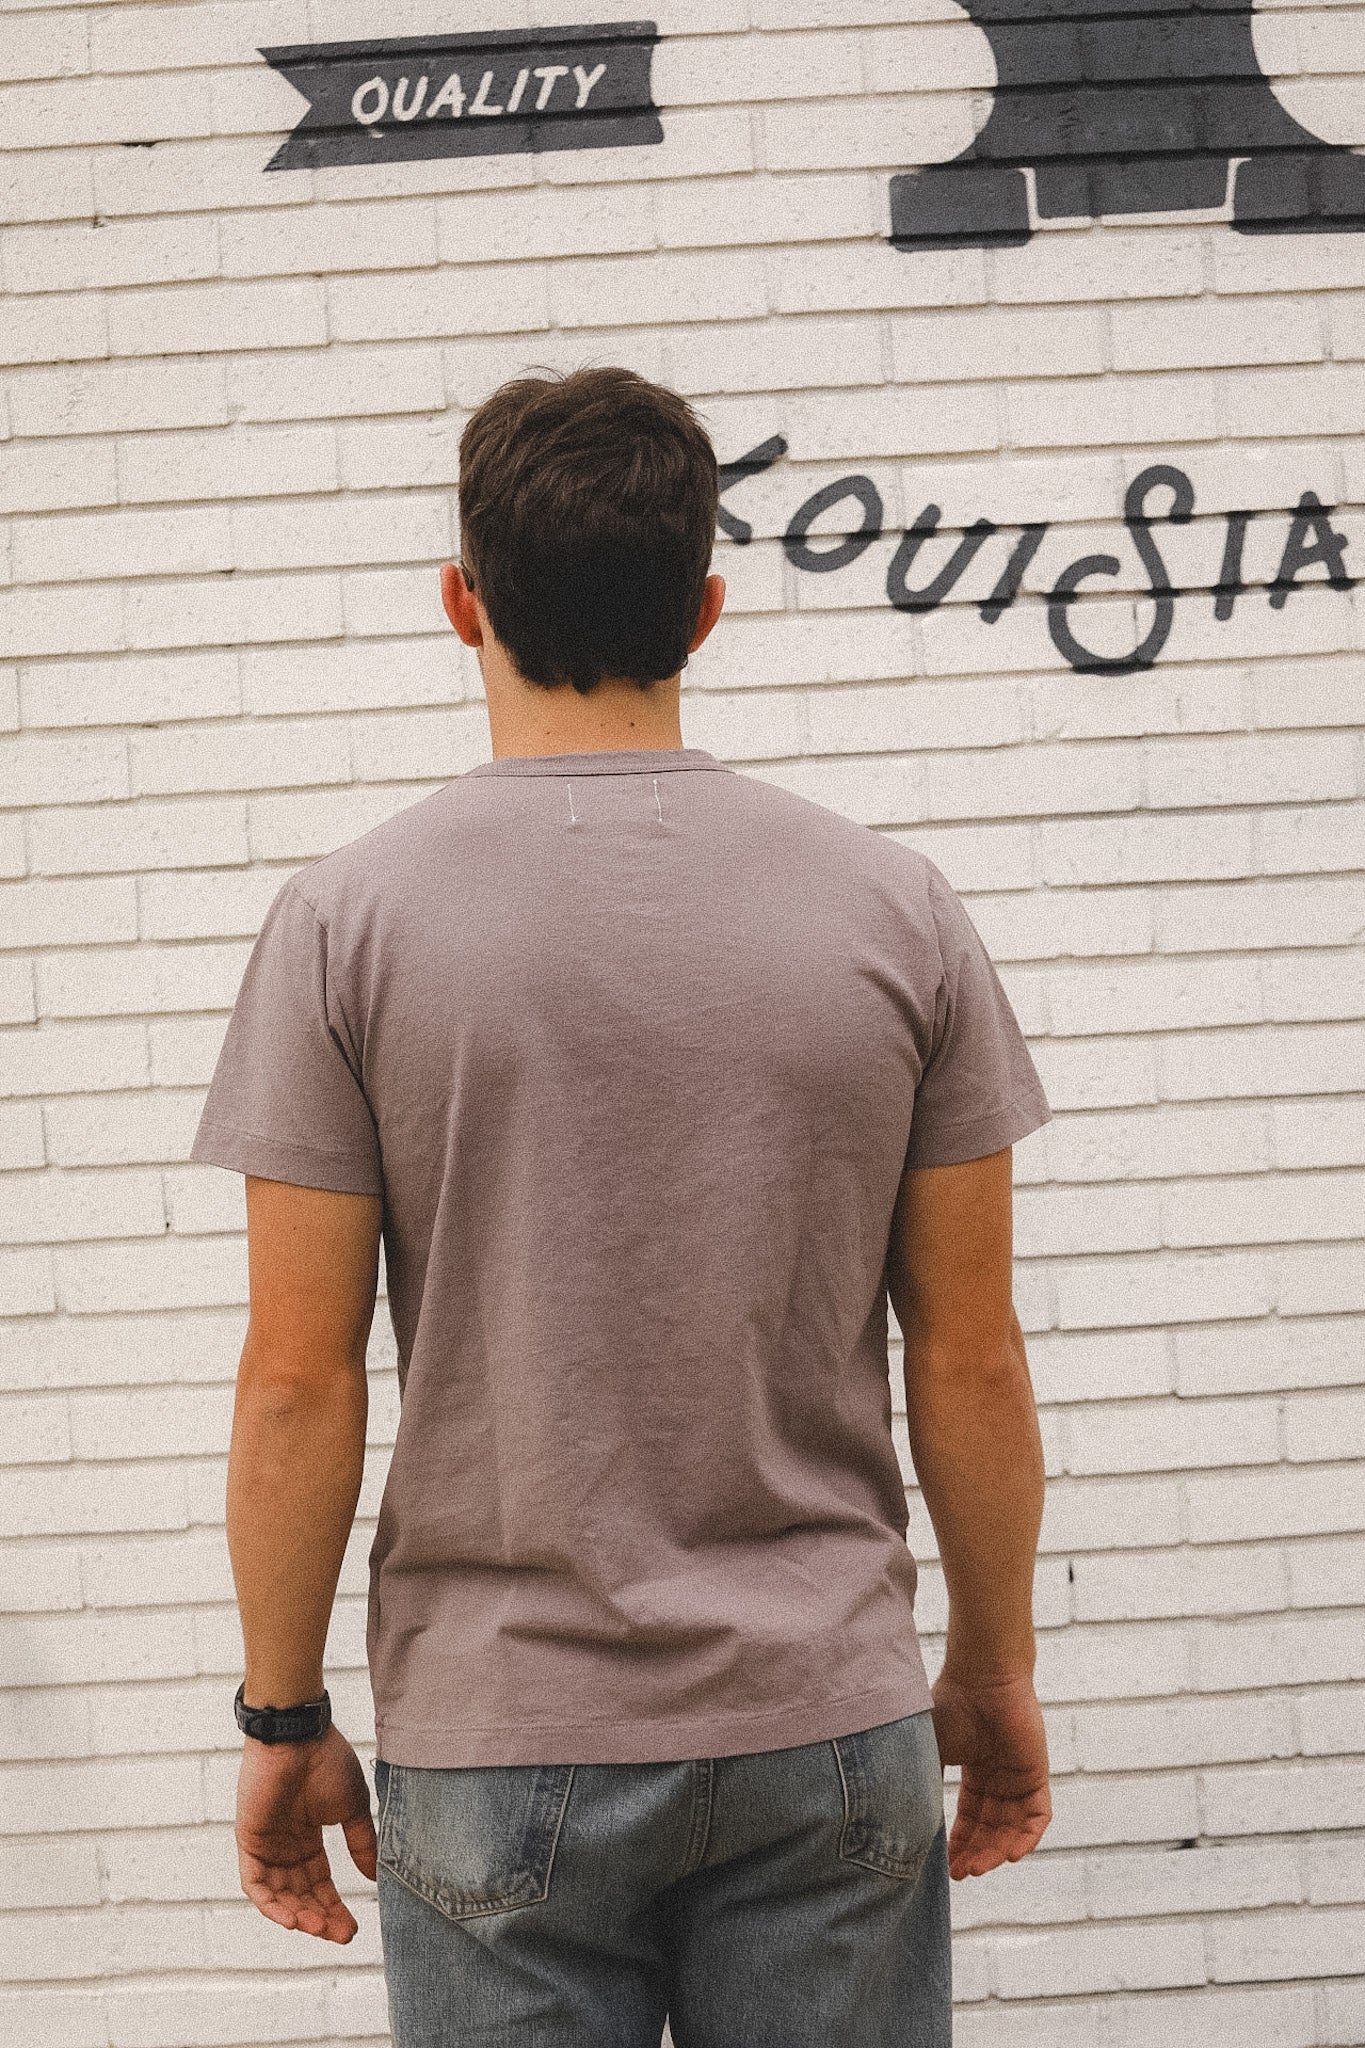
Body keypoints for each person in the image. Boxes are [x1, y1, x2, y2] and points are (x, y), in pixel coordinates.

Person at [190, 365, 1053, 2048]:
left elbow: (296, 1373)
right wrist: (992, 1673)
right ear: (707, 609)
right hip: (825, 1714)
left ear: (462, 602)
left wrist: (282, 1707)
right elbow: (970, 1354)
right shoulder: (895, 909)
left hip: (499, 1728)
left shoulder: (343, 925)